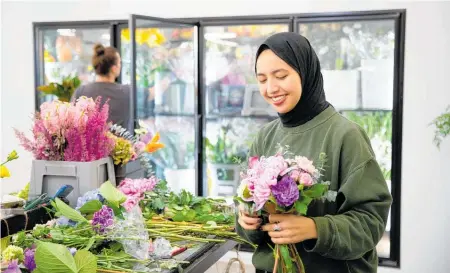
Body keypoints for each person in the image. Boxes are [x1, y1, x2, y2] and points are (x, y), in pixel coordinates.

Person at [236, 32, 392, 273]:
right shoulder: (265, 136)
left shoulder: (345, 135)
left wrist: (314, 229)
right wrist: (247, 221)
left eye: (281, 76)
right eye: (262, 79)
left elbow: (371, 223)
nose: (270, 88)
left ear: (305, 72)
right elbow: (249, 211)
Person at [71, 44, 131, 131]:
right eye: (119, 63)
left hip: (87, 144)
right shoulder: (127, 91)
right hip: (123, 143)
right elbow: (151, 93)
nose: (120, 66)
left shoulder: (81, 91)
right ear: (114, 68)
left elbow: (71, 123)